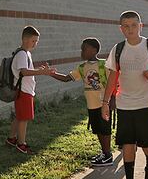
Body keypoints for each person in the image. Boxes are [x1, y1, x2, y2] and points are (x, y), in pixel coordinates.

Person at [103, 11, 148, 179]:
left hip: (146, 102)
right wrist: (106, 102)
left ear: (141, 26)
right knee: (127, 142)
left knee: (146, 140)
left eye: (134, 25)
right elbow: (112, 76)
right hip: (125, 103)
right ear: (121, 29)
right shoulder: (118, 49)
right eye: (126, 26)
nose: (130, 29)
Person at [51, 38, 114, 167]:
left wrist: (112, 100)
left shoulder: (104, 65)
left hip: (104, 105)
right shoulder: (82, 67)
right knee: (97, 129)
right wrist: (51, 73)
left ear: (94, 50)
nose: (81, 52)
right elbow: (66, 79)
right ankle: (104, 152)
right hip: (92, 104)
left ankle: (108, 156)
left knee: (105, 130)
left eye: (84, 49)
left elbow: (114, 82)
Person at [6, 26, 55, 154]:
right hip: (23, 91)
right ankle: (21, 144)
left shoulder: (25, 53)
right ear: (25, 39)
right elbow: (24, 71)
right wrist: (43, 72)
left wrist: (40, 70)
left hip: (25, 90)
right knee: (24, 118)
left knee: (19, 116)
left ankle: (11, 138)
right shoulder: (22, 54)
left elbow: (27, 70)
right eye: (33, 41)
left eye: (36, 41)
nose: (35, 44)